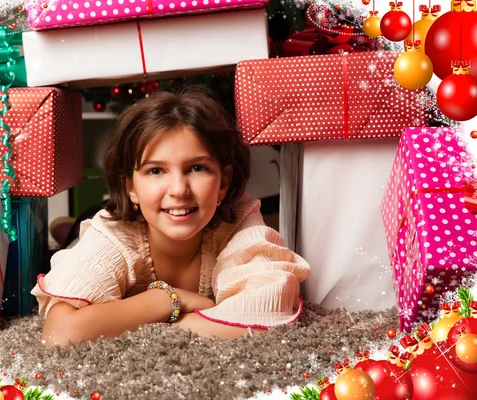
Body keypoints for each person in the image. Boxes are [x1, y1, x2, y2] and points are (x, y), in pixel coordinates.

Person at [32, 87, 310, 347]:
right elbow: (60, 333)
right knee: (75, 239)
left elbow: (270, 308)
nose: (179, 190)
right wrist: (166, 300)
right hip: (112, 218)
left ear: (223, 183)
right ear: (131, 187)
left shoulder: (238, 221)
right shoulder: (115, 234)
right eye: (155, 171)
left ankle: (64, 229)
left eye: (197, 168)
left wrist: (170, 327)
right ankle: (66, 231)